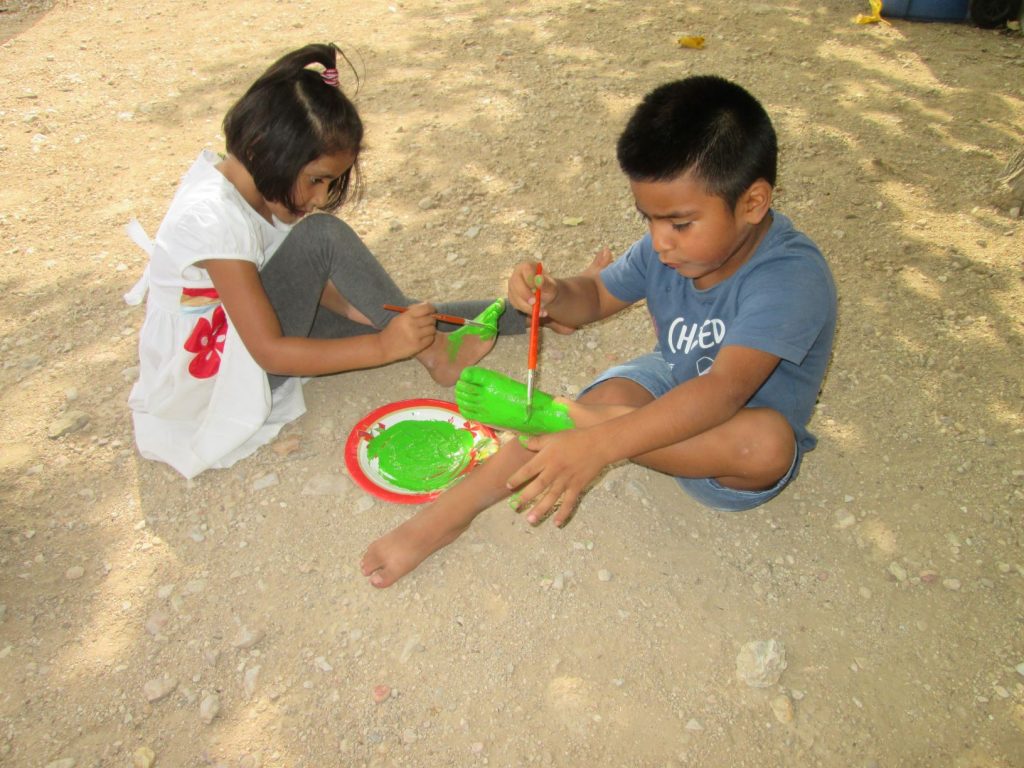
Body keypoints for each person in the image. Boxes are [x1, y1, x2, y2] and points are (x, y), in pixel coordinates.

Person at [360, 75, 836, 588]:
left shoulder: (791, 277)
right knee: (608, 397)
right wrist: (553, 294)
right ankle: (445, 516)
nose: (659, 242)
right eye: (648, 219)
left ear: (753, 203)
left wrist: (602, 440)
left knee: (766, 446)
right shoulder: (665, 248)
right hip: (669, 380)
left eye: (679, 224)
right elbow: (596, 295)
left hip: (722, 440)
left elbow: (722, 393)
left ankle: (581, 421)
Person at [126, 44, 522, 479]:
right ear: (262, 149)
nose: (320, 197)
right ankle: (437, 353)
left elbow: (319, 286)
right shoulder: (214, 218)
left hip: (239, 342)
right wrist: (383, 346)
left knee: (401, 317)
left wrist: (376, 316)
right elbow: (270, 353)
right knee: (323, 239)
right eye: (316, 180)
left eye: (329, 182)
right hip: (218, 381)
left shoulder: (254, 187)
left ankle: (532, 314)